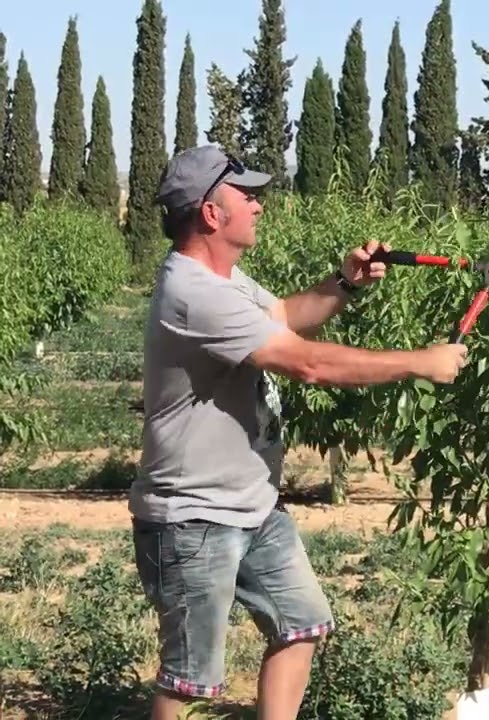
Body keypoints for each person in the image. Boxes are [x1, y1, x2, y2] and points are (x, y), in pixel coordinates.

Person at [129, 145, 468, 720]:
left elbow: (283, 316)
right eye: (247, 195)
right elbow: (307, 362)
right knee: (189, 680)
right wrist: (419, 361)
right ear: (212, 215)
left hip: (251, 504)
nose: (259, 205)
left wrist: (345, 282)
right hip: (193, 515)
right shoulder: (194, 294)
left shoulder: (226, 281)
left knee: (300, 625)